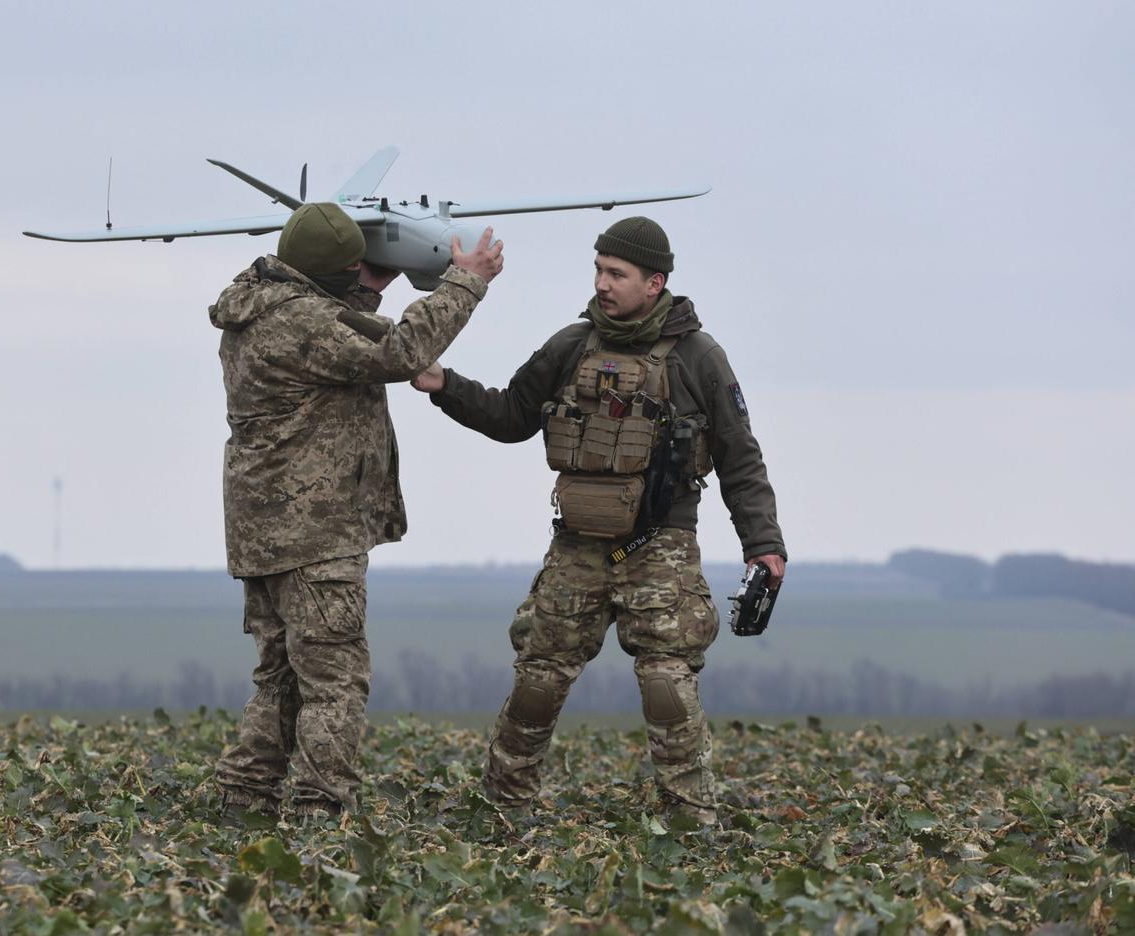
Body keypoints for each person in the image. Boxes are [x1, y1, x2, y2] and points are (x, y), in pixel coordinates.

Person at [411, 217, 784, 825]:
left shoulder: (700, 357)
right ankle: (502, 810)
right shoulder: (571, 345)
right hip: (577, 547)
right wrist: (443, 384)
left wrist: (763, 544)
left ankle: (692, 822)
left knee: (667, 685)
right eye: (599, 270)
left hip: (660, 547)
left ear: (655, 282)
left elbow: (741, 457)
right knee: (538, 680)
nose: (603, 284)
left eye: (618, 273)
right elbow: (510, 415)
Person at [210, 202, 504, 820]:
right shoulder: (305, 326)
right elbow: (397, 352)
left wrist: (363, 291)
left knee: (282, 677)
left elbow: (339, 339)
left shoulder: (257, 308)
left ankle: (245, 795)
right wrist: (466, 281)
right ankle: (321, 808)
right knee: (334, 681)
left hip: (265, 532)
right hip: (314, 532)